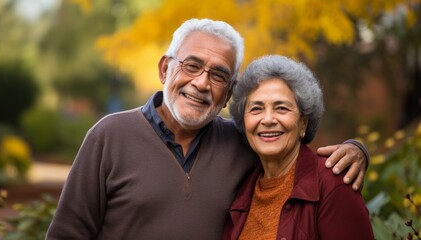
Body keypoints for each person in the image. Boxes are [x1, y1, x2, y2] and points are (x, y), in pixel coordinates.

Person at [46, 19, 369, 240]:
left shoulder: (239, 143)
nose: (201, 83)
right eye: (192, 65)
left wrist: (356, 150)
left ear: (228, 93)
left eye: (217, 74)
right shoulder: (109, 136)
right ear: (164, 68)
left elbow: (290, 158)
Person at [223, 55, 374, 240]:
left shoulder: (332, 184)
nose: (268, 119)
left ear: (303, 123)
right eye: (256, 109)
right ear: (243, 122)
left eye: (281, 108)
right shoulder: (240, 189)